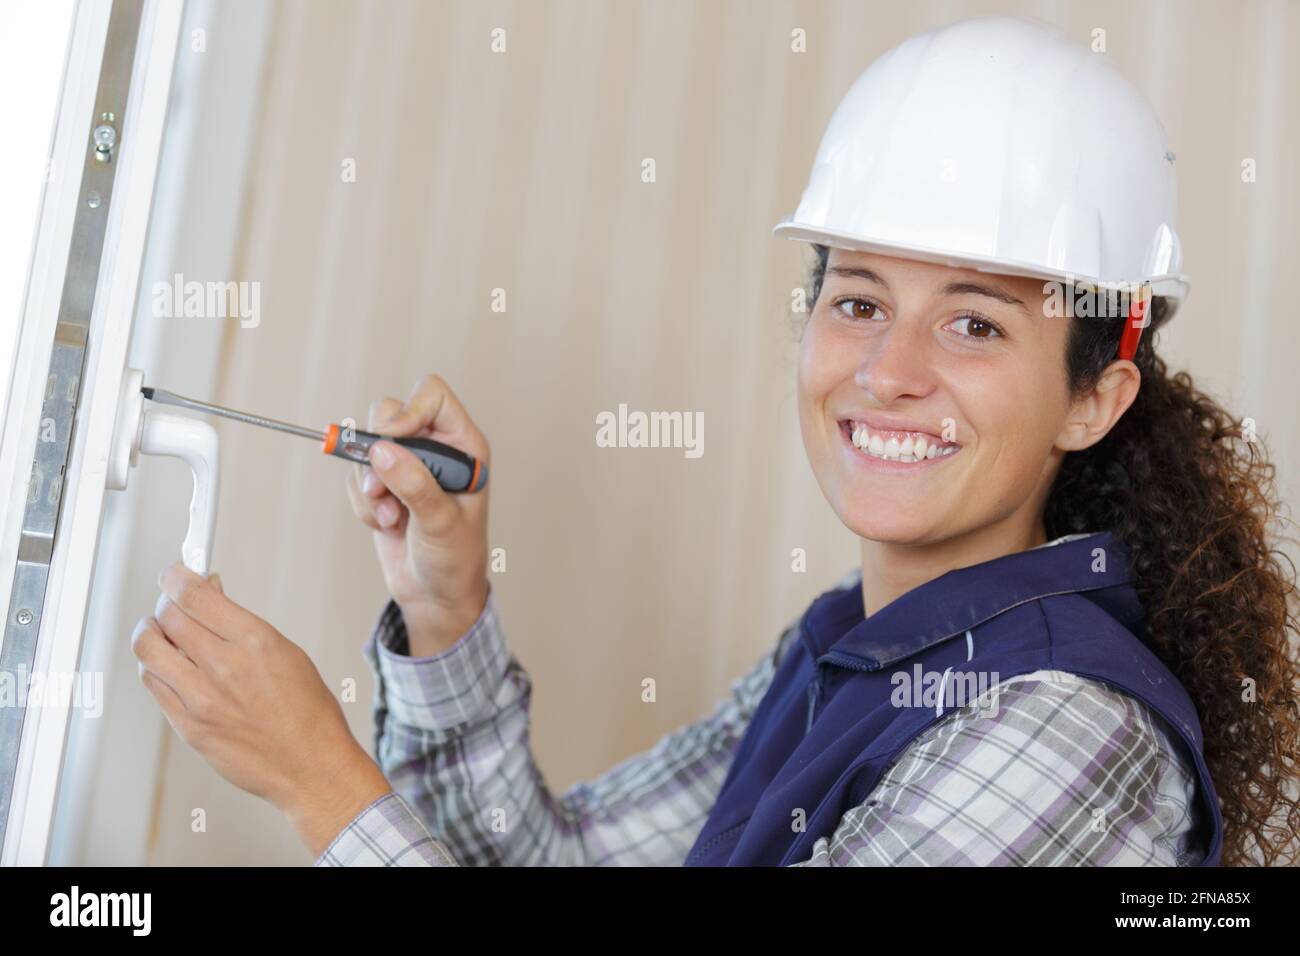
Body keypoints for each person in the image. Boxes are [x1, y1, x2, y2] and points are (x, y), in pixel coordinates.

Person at [132, 15, 1299, 867]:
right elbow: (551, 861)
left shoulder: (1062, 730)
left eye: (974, 321)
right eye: (856, 300)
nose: (888, 371)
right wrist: (445, 611)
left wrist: (316, 781)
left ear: (1094, 398)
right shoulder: (853, 650)